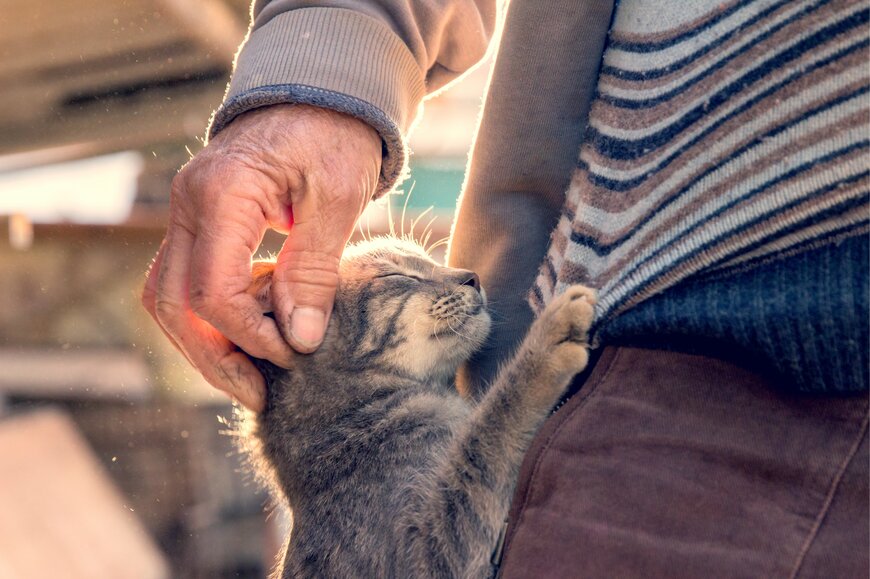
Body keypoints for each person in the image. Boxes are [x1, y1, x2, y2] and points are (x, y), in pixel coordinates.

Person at [143, 0, 869, 576]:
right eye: (409, 277)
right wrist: (330, 55)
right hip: (652, 348)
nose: (458, 276)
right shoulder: (357, 463)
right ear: (308, 334)